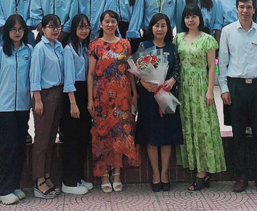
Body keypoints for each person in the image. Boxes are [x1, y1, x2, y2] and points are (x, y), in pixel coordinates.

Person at [218, 0, 257, 194]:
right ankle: (241, 176)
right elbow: (222, 62)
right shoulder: (227, 31)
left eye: (248, 7)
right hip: (236, 87)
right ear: (236, 9)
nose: (245, 10)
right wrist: (224, 88)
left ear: (254, 9)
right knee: (238, 133)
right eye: (241, 7)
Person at [174, 4, 225, 191]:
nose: (190, 20)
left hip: (201, 85)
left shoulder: (207, 39)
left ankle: (203, 172)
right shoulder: (178, 38)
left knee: (203, 127)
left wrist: (210, 90)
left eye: (194, 16)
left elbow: (212, 67)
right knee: (188, 126)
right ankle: (196, 167)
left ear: (200, 19)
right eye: (187, 17)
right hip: (183, 88)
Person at [87, 10, 140, 192]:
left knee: (121, 134)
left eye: (113, 21)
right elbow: (90, 74)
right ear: (101, 24)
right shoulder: (95, 45)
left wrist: (134, 93)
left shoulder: (125, 44)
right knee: (102, 135)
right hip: (101, 98)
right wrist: (90, 100)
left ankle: (117, 173)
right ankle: (104, 174)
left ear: (117, 24)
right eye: (107, 21)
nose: (110, 24)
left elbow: (129, 71)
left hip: (122, 97)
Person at [0, 14, 32, 205]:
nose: (17, 32)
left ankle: (14, 185)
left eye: (20, 29)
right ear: (7, 31)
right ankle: (3, 189)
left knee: (20, 147)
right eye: (13, 29)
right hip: (4, 107)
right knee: (8, 147)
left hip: (23, 106)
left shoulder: (29, 51)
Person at [136, 14, 184, 192]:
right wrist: (143, 83)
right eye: (156, 25)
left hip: (167, 95)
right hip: (149, 97)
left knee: (166, 137)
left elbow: (178, 69)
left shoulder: (173, 47)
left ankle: (165, 174)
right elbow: (136, 71)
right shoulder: (144, 46)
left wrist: (172, 80)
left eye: (163, 25)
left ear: (168, 28)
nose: (160, 29)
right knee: (151, 136)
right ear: (151, 28)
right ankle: (155, 174)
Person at [30, 14, 66, 199]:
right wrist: (37, 99)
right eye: (51, 26)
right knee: (42, 139)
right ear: (43, 29)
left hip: (58, 93)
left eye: (58, 26)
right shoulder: (39, 49)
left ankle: (47, 174)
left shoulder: (59, 46)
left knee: (51, 138)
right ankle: (38, 180)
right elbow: (34, 76)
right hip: (44, 95)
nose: (55, 29)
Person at [60, 14, 94, 194]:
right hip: (72, 95)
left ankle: (78, 176)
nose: (84, 30)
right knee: (72, 139)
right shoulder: (68, 49)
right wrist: (73, 103)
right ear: (74, 29)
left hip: (84, 93)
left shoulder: (85, 47)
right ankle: (69, 181)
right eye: (80, 27)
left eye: (86, 27)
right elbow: (68, 79)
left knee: (82, 137)